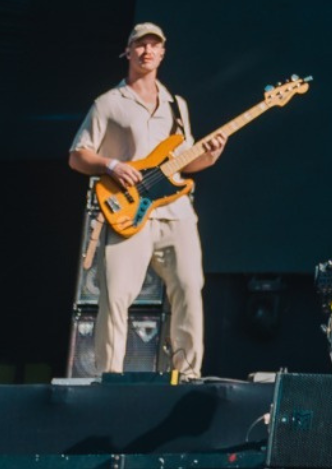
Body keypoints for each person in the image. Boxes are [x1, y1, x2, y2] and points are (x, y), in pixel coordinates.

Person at [68, 22, 225, 376]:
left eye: (154, 46)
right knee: (117, 297)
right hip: (128, 213)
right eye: (140, 45)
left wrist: (211, 155)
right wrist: (111, 165)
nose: (147, 51)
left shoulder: (177, 105)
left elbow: (184, 162)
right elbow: (77, 155)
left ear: (163, 53)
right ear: (128, 51)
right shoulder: (109, 103)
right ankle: (110, 375)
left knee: (189, 289)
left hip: (176, 214)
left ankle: (187, 374)